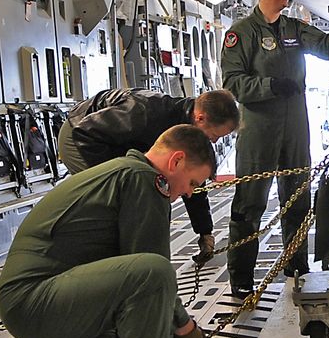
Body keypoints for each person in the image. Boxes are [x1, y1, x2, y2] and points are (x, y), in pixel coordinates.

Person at [0, 125, 225, 338]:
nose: (187, 192)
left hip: (37, 304)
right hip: (38, 301)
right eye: (192, 182)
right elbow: (150, 272)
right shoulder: (145, 180)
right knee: (154, 271)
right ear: (176, 161)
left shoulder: (122, 172)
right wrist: (186, 331)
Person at [221, 0, 329, 297]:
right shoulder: (241, 34)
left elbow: (328, 47)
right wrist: (270, 86)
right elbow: (232, 82)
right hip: (258, 131)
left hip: (295, 129)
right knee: (250, 205)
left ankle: (296, 266)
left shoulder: (295, 30)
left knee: (297, 199)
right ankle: (241, 278)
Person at [58, 88, 239, 260]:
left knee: (152, 193)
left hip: (115, 142)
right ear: (201, 118)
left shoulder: (189, 129)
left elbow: (190, 180)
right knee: (119, 201)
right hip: (81, 135)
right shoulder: (148, 113)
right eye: (214, 135)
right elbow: (86, 132)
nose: (214, 141)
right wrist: (116, 179)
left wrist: (204, 231)